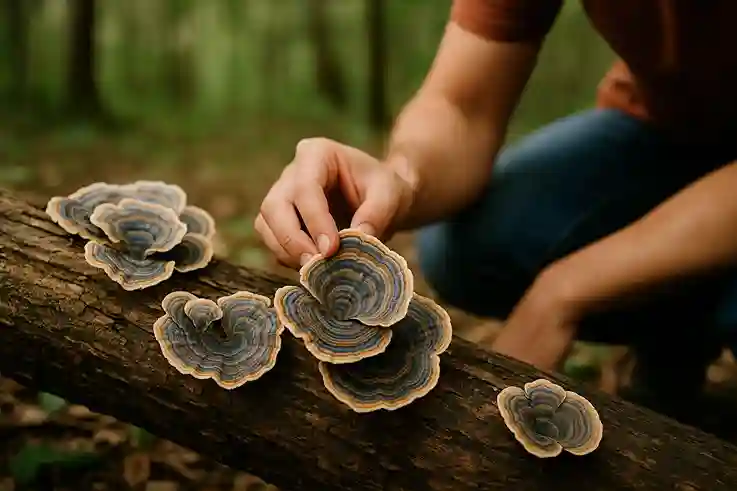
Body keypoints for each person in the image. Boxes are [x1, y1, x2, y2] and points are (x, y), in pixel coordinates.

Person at [255, 0, 737, 421]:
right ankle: (678, 326)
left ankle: (690, 320)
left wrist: (564, 290)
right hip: (664, 128)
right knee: (467, 244)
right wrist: (400, 177)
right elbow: (462, 105)